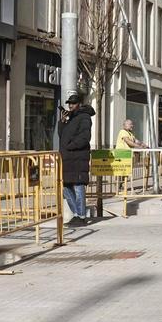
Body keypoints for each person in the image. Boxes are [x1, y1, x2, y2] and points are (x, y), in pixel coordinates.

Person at [58, 94, 95, 226]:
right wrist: (62, 122)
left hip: (78, 157)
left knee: (78, 186)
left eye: (73, 103)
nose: (70, 106)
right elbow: (61, 135)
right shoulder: (70, 117)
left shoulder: (84, 117)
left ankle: (81, 215)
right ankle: (76, 214)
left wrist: (71, 146)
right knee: (66, 187)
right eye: (69, 104)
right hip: (68, 158)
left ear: (79, 103)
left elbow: (85, 136)